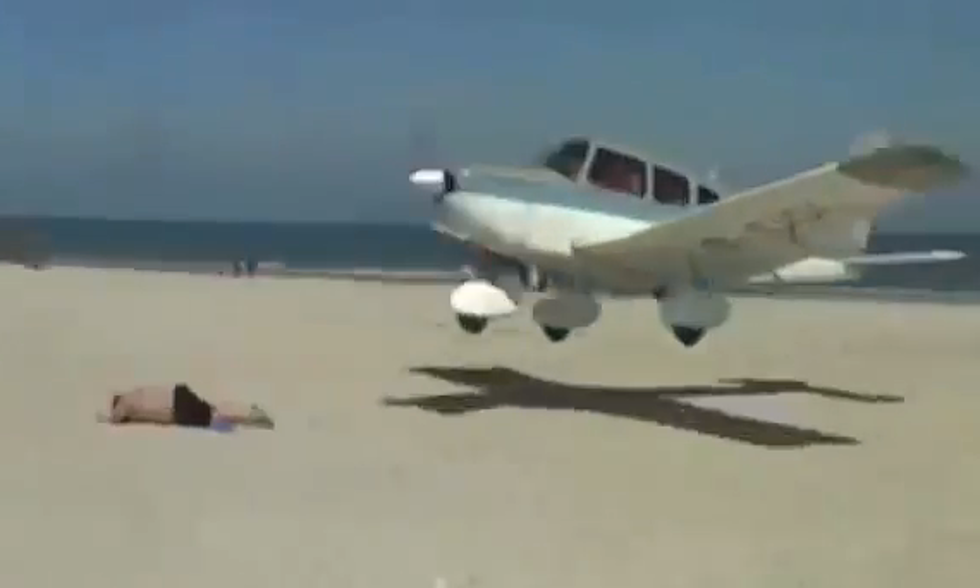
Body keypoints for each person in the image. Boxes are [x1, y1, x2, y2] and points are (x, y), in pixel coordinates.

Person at [96, 383, 274, 430]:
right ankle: (249, 412)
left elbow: (116, 418)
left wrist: (107, 418)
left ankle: (251, 415)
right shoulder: (134, 393)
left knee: (214, 415)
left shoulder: (125, 403)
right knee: (213, 410)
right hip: (178, 395)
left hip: (177, 408)